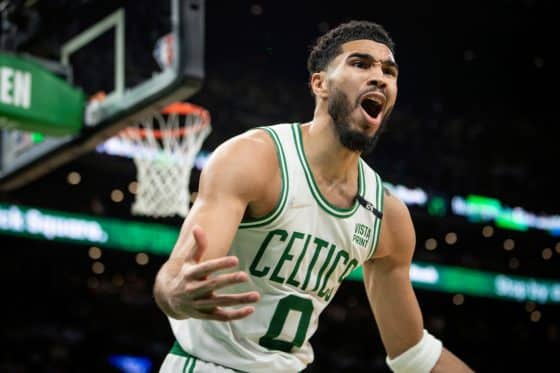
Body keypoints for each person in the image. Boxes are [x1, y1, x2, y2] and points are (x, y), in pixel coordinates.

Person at [153, 20, 473, 373]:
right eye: (361, 64)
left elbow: (413, 355)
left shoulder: (389, 217)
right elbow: (176, 278)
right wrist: (175, 294)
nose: (380, 77)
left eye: (389, 71)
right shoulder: (256, 159)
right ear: (320, 83)